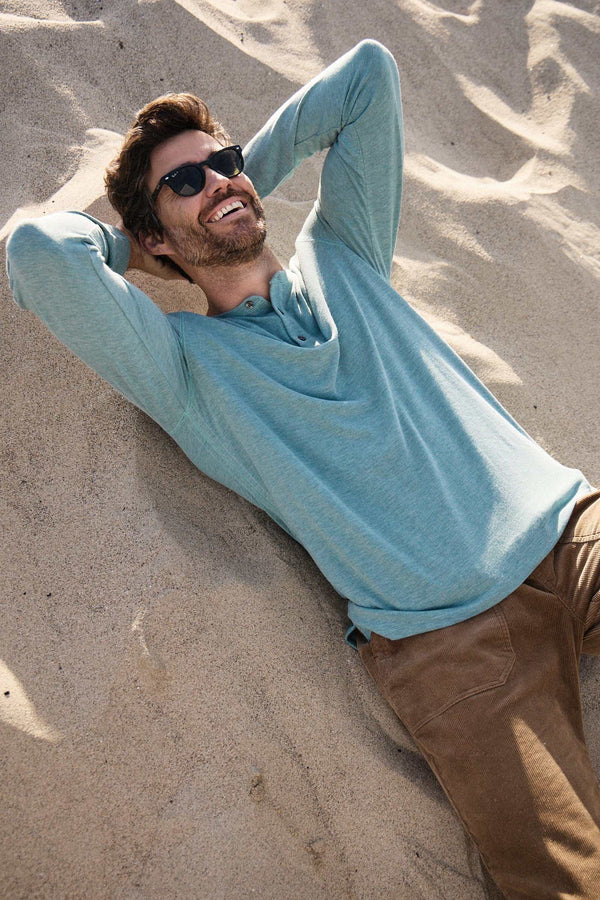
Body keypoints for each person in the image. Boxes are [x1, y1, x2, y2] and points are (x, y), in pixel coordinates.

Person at [6, 39, 600, 898]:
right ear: (153, 233)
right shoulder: (188, 369)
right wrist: (132, 246)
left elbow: (367, 77)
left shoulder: (345, 252)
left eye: (225, 162)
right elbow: (37, 252)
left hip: (571, 534)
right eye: (186, 181)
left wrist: (233, 184)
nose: (218, 179)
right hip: (453, 650)